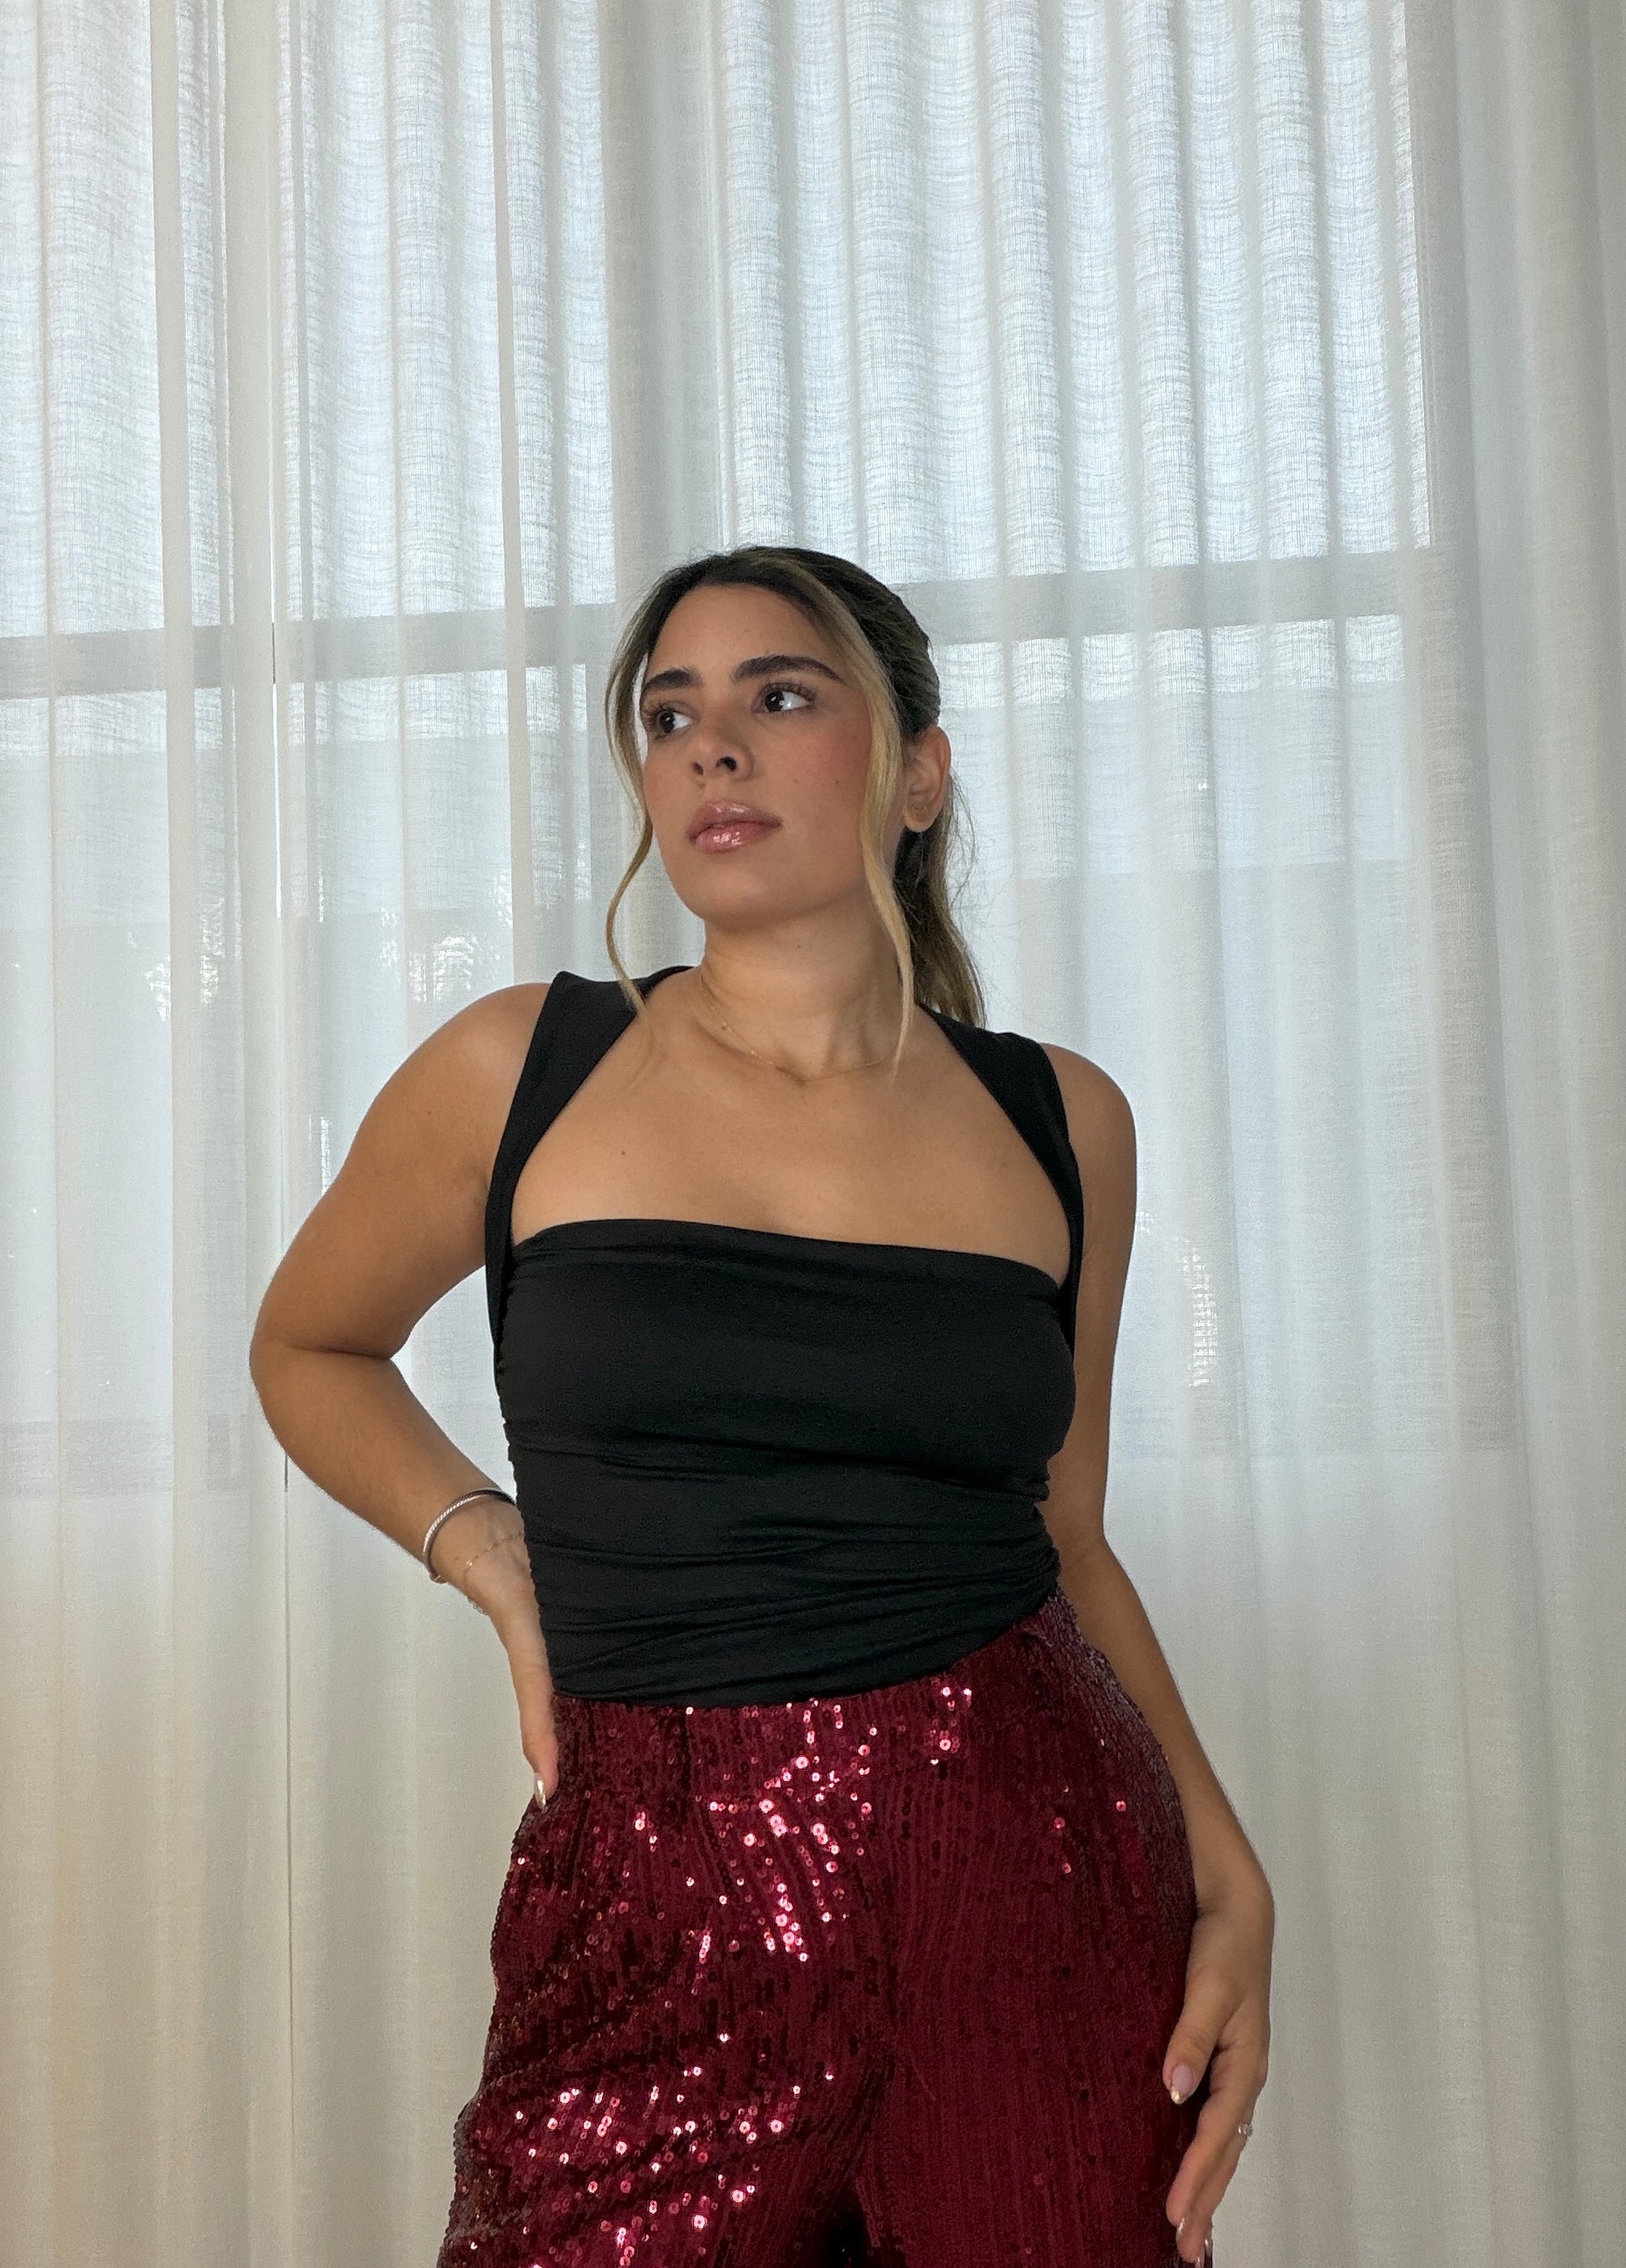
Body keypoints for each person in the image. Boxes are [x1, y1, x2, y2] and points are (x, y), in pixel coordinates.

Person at [249, 544, 1274, 2266]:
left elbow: (1066, 1533)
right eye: (671, 714)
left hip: (1034, 1871)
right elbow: (309, 1344)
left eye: (779, 695)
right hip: (651, 1890)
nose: (712, 744)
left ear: (917, 773)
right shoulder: (521, 1066)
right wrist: (492, 1556)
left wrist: (1227, 1865)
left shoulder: (1060, 1120)